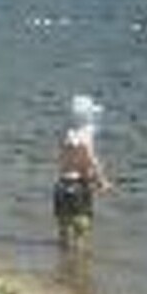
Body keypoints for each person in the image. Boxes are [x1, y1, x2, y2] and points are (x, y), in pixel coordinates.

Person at [53, 94, 112, 242]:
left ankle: (64, 251)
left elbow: (61, 161)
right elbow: (90, 161)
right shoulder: (85, 137)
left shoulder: (65, 135)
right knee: (81, 226)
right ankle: (78, 255)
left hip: (61, 185)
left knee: (64, 225)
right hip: (78, 186)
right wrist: (102, 180)